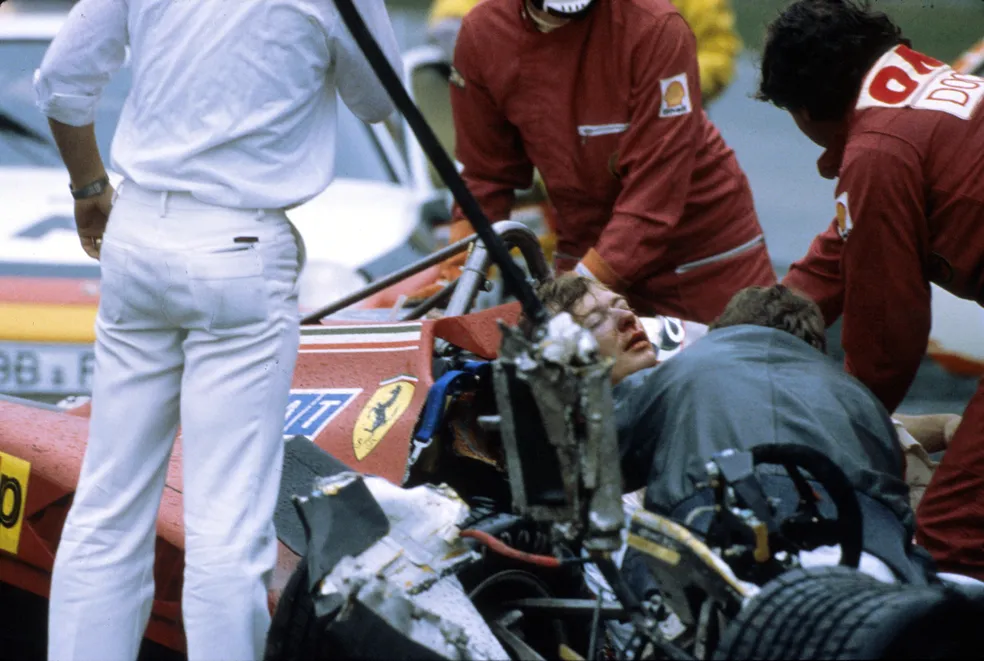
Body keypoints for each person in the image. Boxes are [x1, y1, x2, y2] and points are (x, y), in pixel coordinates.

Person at [34, 0, 401, 658]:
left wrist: (88, 187)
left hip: (137, 228)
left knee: (107, 507)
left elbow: (62, 79)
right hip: (241, 243)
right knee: (225, 528)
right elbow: (378, 100)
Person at [754, 0, 984, 581]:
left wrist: (831, 429)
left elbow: (888, 340)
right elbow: (844, 248)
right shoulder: (913, 86)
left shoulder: (878, 148)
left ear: (805, 108)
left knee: (951, 536)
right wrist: (747, 333)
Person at [532, 275, 929, 582]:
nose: (626, 317)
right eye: (596, 320)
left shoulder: (686, 373)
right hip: (878, 558)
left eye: (623, 305)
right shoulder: (851, 395)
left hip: (748, 564)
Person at [443, 0, 775, 325]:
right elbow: (486, 177)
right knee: (564, 356)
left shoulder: (656, 26)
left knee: (740, 357)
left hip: (702, 257)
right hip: (584, 243)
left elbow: (655, 193)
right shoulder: (483, 32)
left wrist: (579, 288)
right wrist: (454, 277)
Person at [428, 0, 742, 105]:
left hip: (653, 148)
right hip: (540, 162)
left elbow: (716, 54)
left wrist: (654, 88)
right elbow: (453, 26)